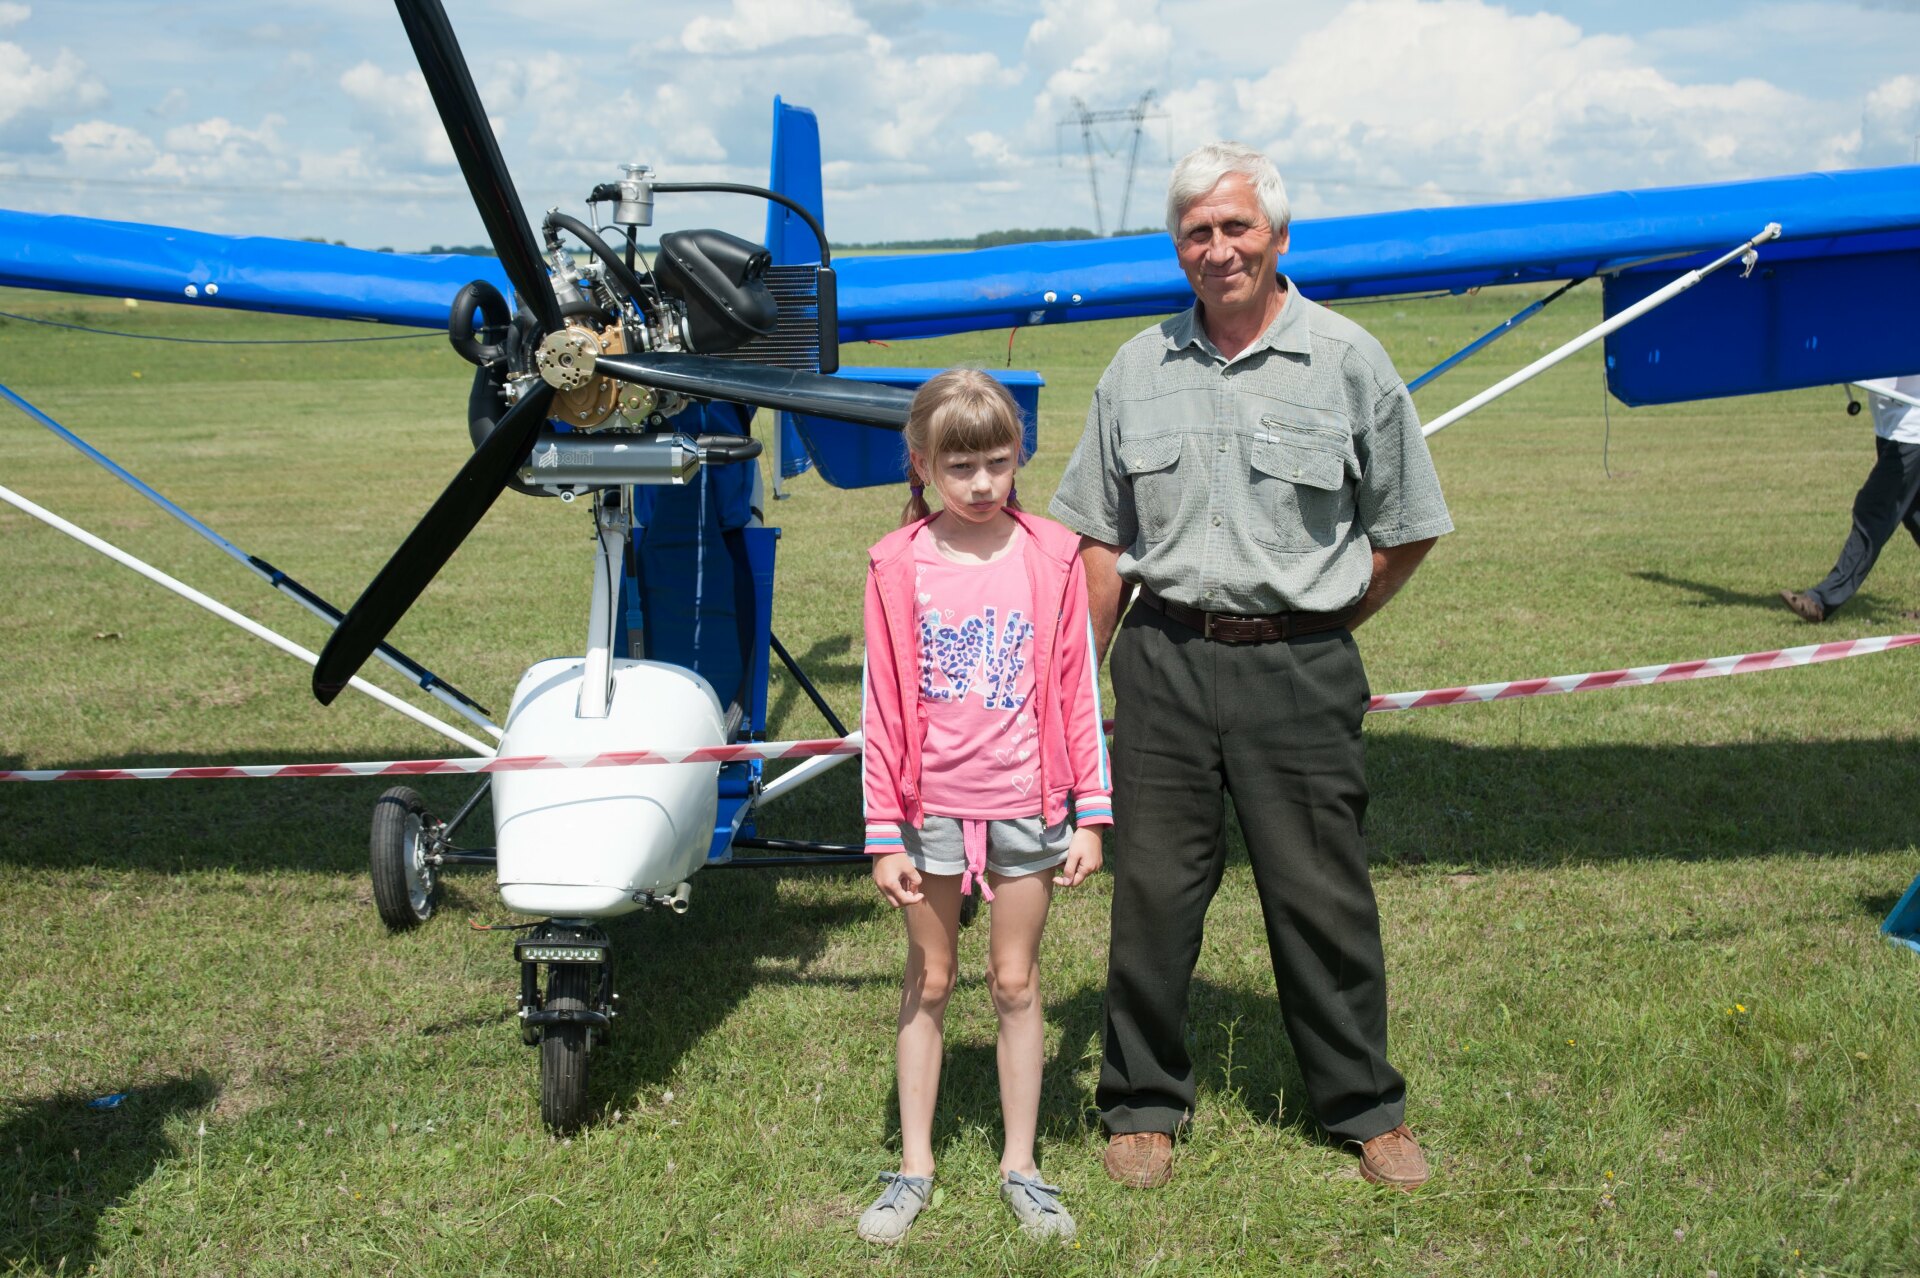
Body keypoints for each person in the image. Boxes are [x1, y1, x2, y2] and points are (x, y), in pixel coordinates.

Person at [1049, 142, 1453, 1192]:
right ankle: (1142, 1104)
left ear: (1277, 237)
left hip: (1300, 670)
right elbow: (1100, 537)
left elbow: (1409, 523)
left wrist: (1324, 618)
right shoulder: (1136, 370)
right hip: (1164, 662)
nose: (1218, 248)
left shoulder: (1348, 360)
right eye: (1197, 232)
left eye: (1237, 227)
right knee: (1153, 897)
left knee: (1322, 897)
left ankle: (1366, 1108)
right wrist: (1079, 682)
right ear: (1176, 247)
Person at [855, 369, 1113, 1244]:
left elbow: (1077, 690)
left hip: (1029, 809)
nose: (979, 484)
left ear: (1018, 457)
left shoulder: (1053, 557)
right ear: (922, 464)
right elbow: (881, 708)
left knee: (1014, 981)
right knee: (929, 980)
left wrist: (1090, 815)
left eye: (996, 463)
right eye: (959, 467)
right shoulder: (895, 564)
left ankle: (1022, 1166)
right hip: (926, 813)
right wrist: (884, 833)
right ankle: (914, 1165)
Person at [1780, 375, 1920, 623]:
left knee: (1872, 511)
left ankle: (1821, 600)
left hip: (1912, 430)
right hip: (1891, 426)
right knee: (1915, 514)